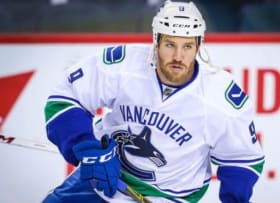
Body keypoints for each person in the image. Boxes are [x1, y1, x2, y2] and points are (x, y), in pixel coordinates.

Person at [42, 0, 265, 202]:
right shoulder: (125, 65)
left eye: (187, 46)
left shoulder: (220, 98)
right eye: (170, 45)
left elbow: (243, 160)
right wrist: (89, 150)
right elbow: (65, 98)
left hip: (167, 196)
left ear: (198, 46)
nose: (178, 56)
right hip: (101, 179)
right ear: (156, 42)